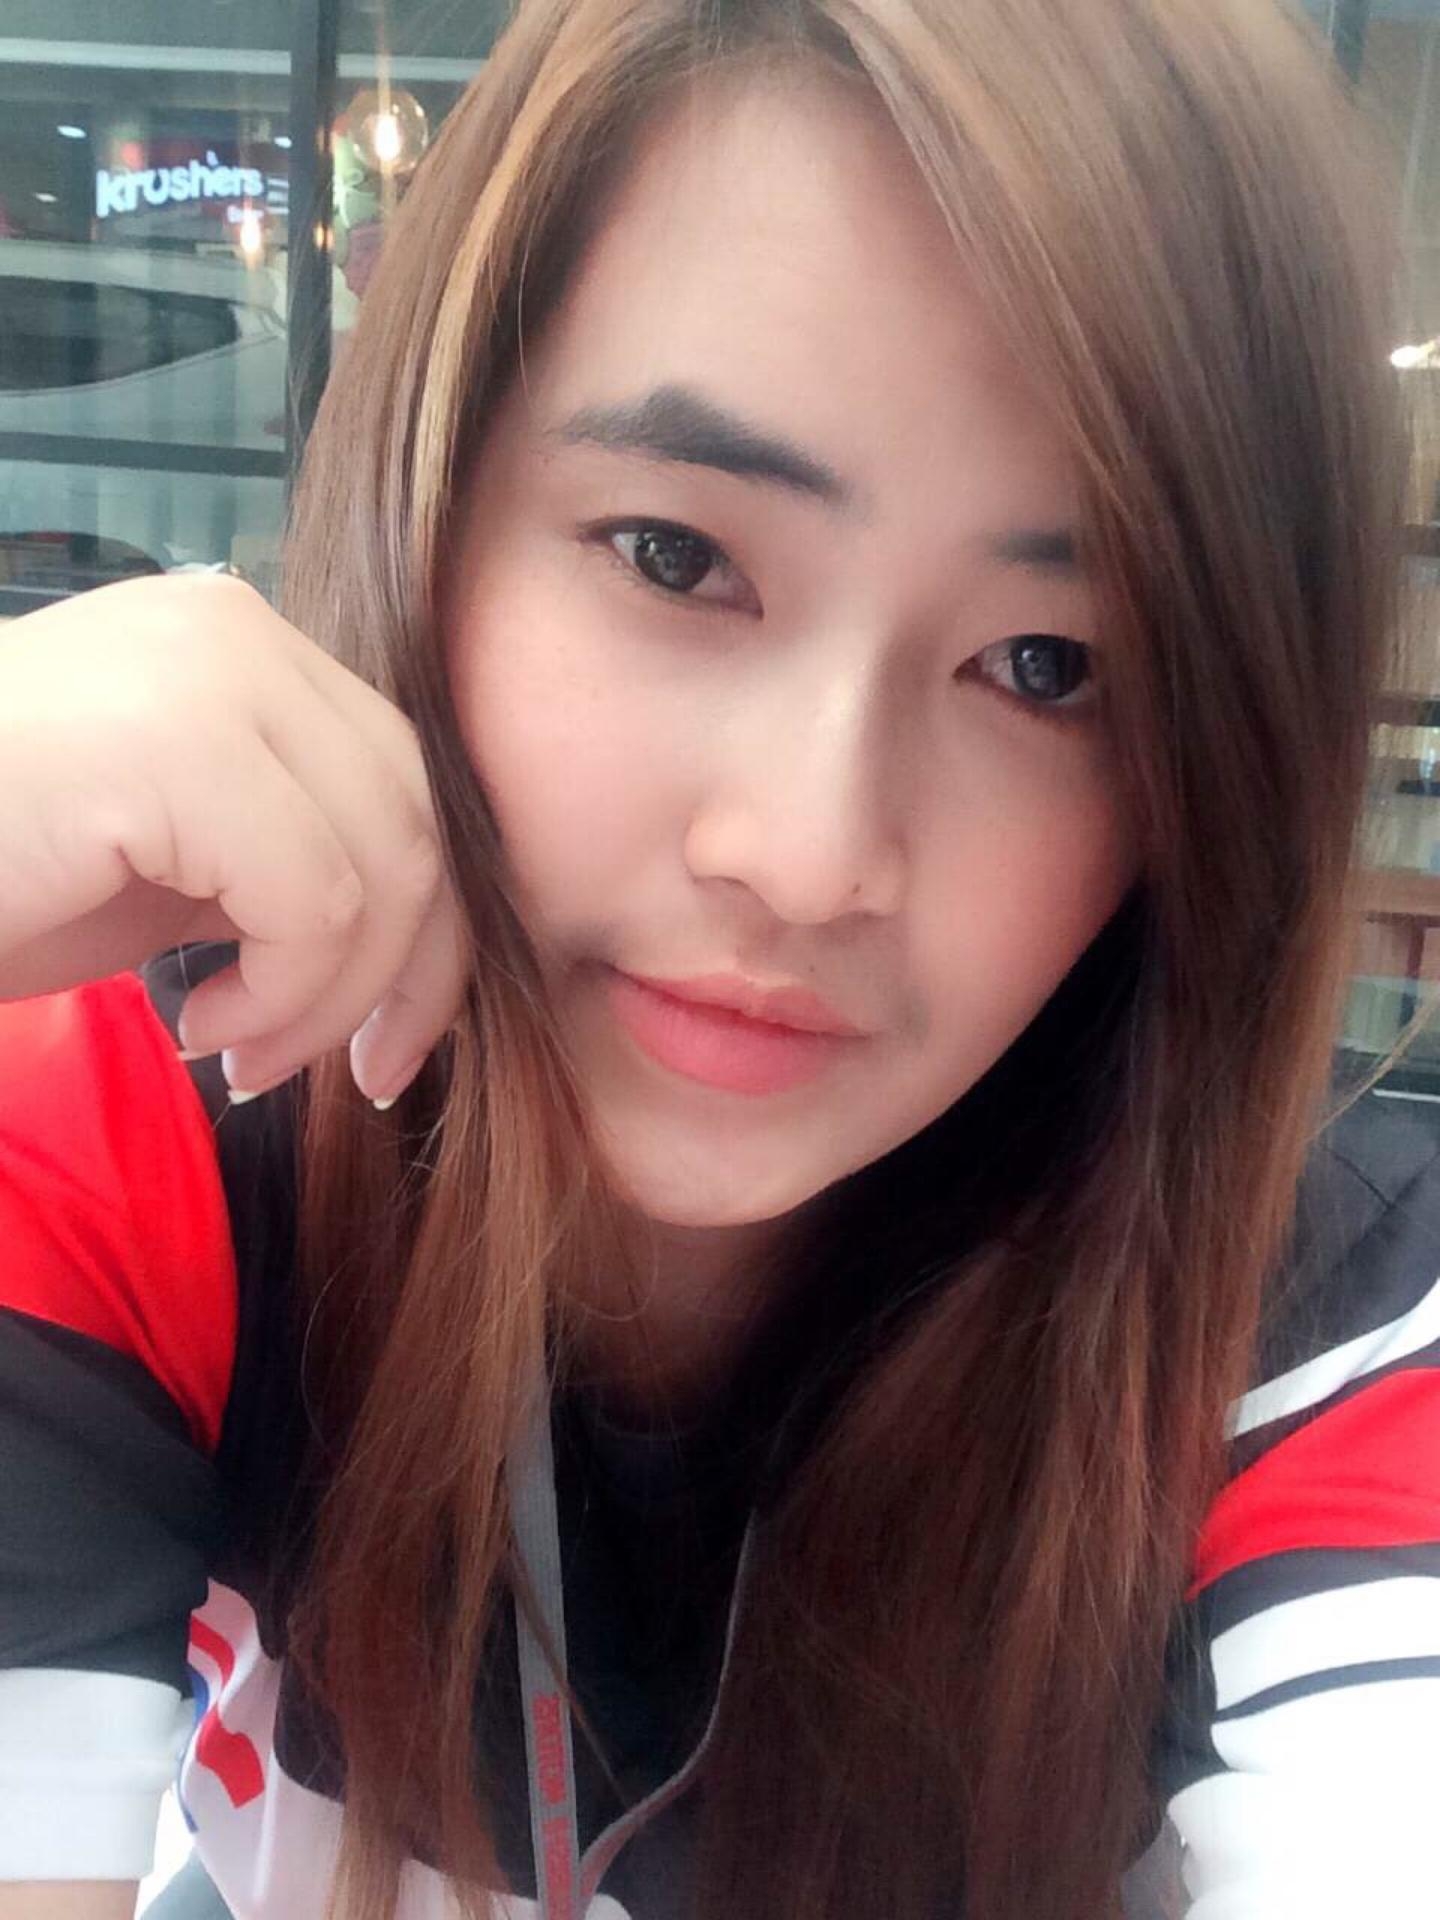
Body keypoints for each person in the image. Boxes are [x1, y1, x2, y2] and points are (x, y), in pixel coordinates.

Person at [0, 1, 1436, 1917]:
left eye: (1047, 667)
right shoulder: (167, 1102)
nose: (810, 855)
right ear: (427, 514)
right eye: (677, 557)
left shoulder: (1323, 1322)